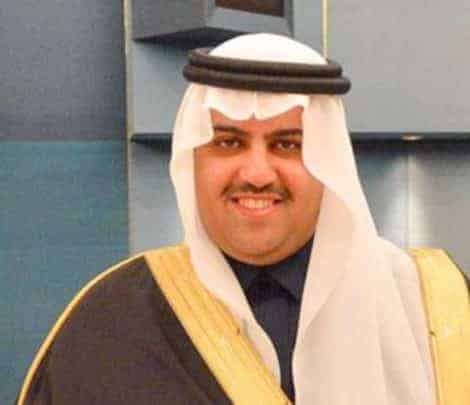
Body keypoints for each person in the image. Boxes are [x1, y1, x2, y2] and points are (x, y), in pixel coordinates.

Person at [17, 33, 437, 404]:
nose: (256, 174)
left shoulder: (428, 310)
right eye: (229, 143)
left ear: (330, 163)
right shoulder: (110, 323)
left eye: (288, 145)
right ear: (192, 159)